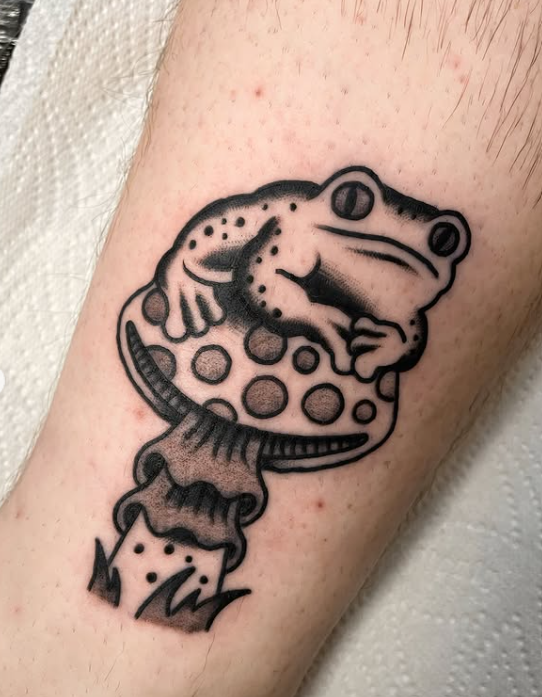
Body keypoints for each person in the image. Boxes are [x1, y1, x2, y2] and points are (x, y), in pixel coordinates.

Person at [1, 1, 541, 695]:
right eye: (354, 202)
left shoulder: (406, 284)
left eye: (443, 242)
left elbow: (403, 334)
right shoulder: (295, 225)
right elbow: (258, 273)